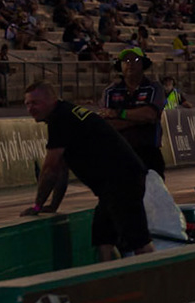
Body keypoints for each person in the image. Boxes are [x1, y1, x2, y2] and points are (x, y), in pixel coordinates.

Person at [19, 82, 154, 260]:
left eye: (35, 103)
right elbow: (61, 169)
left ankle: (154, 280)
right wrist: (53, 205)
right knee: (103, 238)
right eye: (27, 104)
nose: (30, 109)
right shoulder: (65, 114)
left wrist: (37, 205)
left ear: (51, 100)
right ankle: (108, 279)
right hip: (113, 185)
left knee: (137, 240)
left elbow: (49, 169)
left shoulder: (61, 118)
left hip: (122, 181)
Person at [100, 46, 167, 174]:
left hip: (149, 152)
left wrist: (120, 113)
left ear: (143, 64)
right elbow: (108, 124)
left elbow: (150, 114)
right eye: (126, 61)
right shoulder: (110, 91)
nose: (130, 64)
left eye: (135, 60)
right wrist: (138, 120)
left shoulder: (154, 88)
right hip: (119, 152)